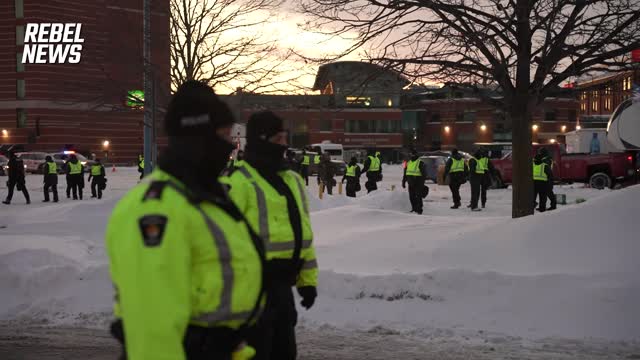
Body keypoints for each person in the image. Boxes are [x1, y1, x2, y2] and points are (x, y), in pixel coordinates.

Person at [106, 80, 265, 360]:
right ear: (199, 139)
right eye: (225, 136)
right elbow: (154, 329)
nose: (230, 146)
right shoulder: (159, 209)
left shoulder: (209, 199)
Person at [221, 111, 318, 360]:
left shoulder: (293, 180)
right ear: (262, 140)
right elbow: (221, 244)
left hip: (282, 291)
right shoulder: (238, 182)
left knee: (285, 353)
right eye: (278, 139)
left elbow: (303, 236)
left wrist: (307, 282)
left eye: (284, 138)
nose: (284, 145)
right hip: (250, 294)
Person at [402, 149, 427, 214]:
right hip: (410, 182)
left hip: (418, 182)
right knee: (411, 197)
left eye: (413, 154)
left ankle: (419, 209)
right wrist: (403, 181)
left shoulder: (420, 162)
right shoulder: (408, 163)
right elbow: (405, 173)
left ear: (416, 155)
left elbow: (424, 174)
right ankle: (414, 208)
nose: (412, 155)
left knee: (418, 196)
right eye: (411, 154)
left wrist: (422, 183)